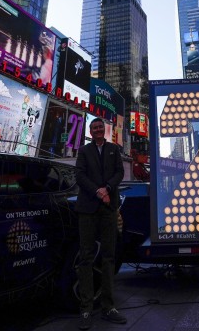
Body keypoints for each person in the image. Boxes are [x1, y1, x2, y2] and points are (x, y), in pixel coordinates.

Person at [74, 118, 126, 329]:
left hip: (108, 209)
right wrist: (97, 191)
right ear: (90, 130)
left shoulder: (114, 149)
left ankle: (108, 307)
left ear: (104, 130)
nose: (97, 130)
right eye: (94, 128)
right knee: (86, 258)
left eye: (99, 128)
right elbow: (79, 175)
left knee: (108, 257)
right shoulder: (83, 151)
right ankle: (86, 309)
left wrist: (107, 188)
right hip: (87, 209)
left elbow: (119, 173)